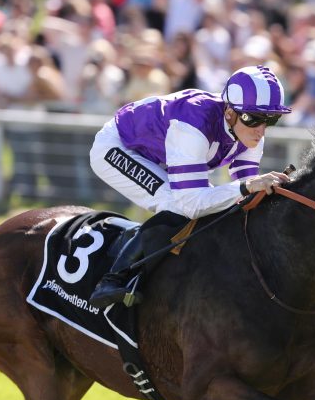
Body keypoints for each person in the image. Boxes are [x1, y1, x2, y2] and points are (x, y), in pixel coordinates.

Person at [88, 65, 292, 308]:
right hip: (118, 147)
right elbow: (193, 202)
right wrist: (248, 186)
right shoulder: (193, 124)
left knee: (209, 204)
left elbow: (247, 196)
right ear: (229, 113)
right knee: (176, 205)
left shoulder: (249, 131)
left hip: (161, 157)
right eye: (253, 118)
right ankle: (114, 279)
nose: (260, 129)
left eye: (271, 119)